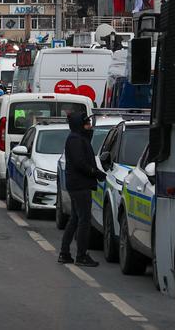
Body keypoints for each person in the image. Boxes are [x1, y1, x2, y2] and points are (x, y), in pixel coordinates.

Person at [59, 111, 106, 267]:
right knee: (84, 220)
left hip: (78, 184)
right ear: (80, 125)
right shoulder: (76, 140)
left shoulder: (78, 138)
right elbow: (80, 163)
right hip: (80, 185)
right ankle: (81, 255)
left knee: (75, 218)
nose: (90, 127)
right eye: (87, 124)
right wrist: (95, 172)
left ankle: (65, 253)